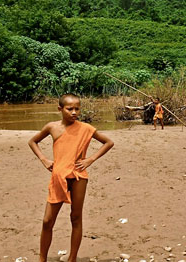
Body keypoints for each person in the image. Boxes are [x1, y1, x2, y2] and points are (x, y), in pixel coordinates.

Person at [28, 93, 114, 262]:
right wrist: (44, 160)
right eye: (70, 109)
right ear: (60, 109)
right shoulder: (52, 127)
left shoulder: (86, 128)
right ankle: (42, 258)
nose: (74, 112)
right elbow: (32, 142)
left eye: (77, 109)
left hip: (78, 176)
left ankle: (72, 258)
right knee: (47, 221)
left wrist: (90, 159)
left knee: (75, 217)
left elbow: (108, 142)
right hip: (58, 176)